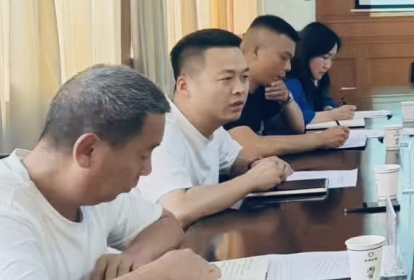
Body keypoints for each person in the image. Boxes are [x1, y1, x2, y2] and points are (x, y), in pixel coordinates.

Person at [0, 66, 221, 280]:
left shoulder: (93, 191)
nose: (147, 169)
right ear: (88, 150)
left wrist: (134, 258)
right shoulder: (9, 207)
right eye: (143, 154)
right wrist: (160, 274)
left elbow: (166, 223)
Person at [138, 30, 294, 228]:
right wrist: (252, 179)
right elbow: (178, 209)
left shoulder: (212, 125)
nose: (240, 89)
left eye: (245, 77)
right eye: (226, 79)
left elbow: (237, 161)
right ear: (184, 86)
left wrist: (259, 165)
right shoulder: (160, 131)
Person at [226, 16, 347, 157]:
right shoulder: (230, 93)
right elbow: (249, 145)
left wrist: (287, 100)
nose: (288, 67)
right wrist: (319, 139)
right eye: (284, 58)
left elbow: (298, 128)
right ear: (256, 52)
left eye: (290, 60)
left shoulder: (265, 88)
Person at [286, 22, 356, 126]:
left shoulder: (315, 79)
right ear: (308, 53)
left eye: (332, 59)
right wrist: (332, 115)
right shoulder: (291, 82)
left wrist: (328, 107)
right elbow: (299, 117)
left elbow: (324, 99)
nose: (328, 66)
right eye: (325, 57)